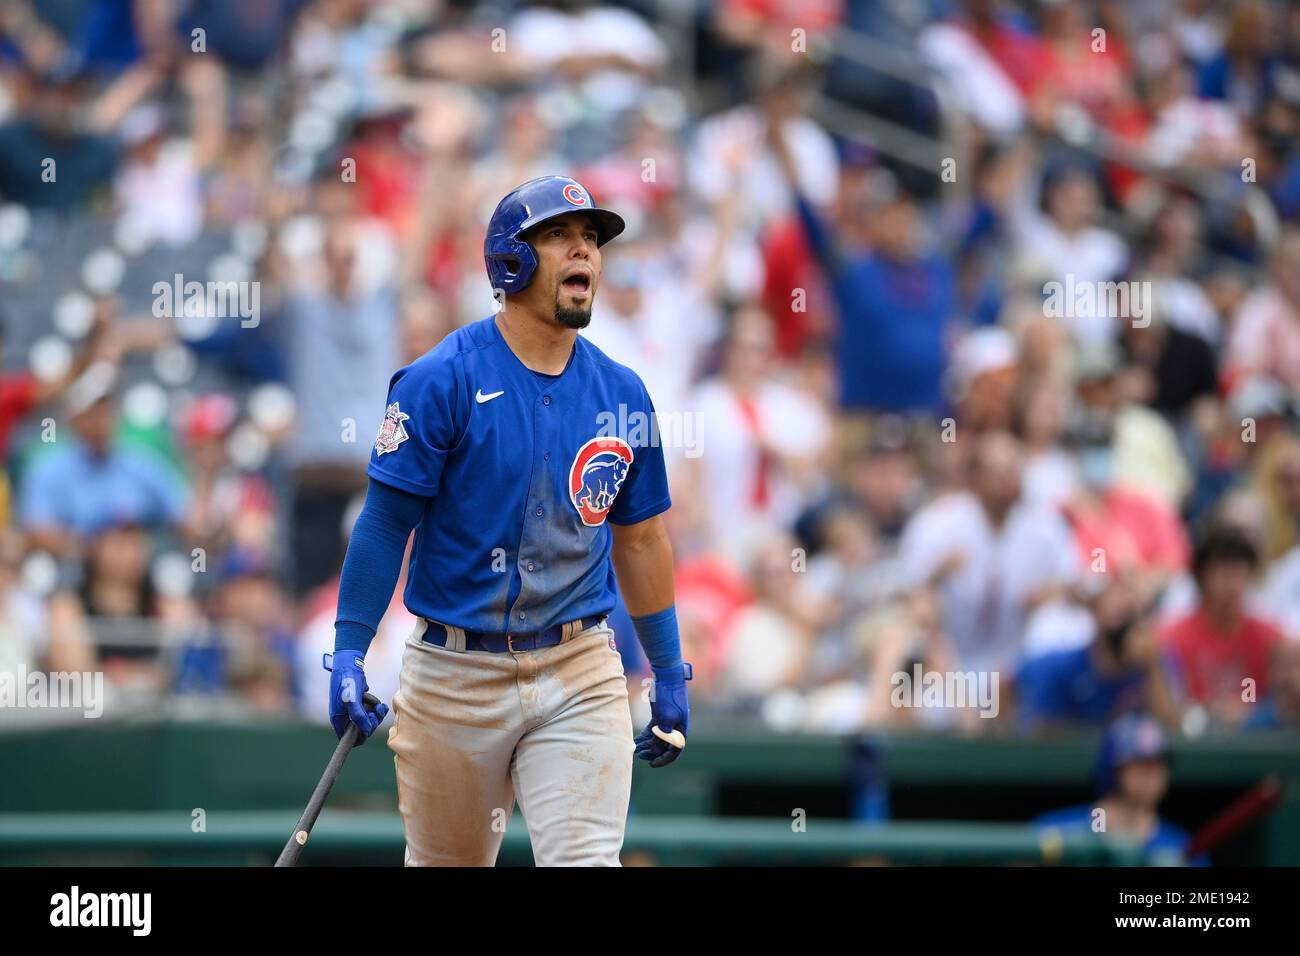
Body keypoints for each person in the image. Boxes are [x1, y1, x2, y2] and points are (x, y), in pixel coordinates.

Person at [327, 176, 690, 866]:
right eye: (560, 236)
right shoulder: (442, 380)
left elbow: (641, 537)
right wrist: (348, 649)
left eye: (592, 239)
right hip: (453, 673)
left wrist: (668, 669)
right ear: (511, 261)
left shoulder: (622, 392)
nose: (584, 251)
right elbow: (383, 525)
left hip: (578, 663)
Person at [1034, 713, 1209, 865]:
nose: (1151, 775)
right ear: (1113, 769)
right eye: (1141, 764)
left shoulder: (1183, 848)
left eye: (1158, 765)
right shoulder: (1055, 831)